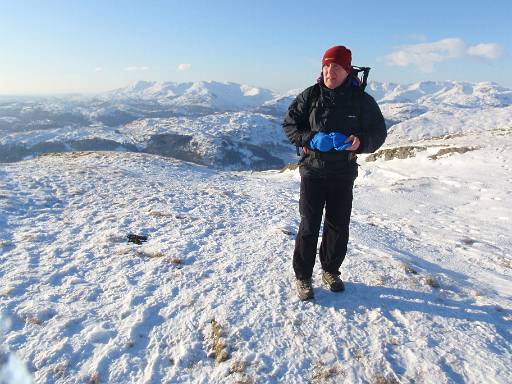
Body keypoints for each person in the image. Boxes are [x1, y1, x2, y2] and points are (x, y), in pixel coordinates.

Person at [282, 45, 387, 300]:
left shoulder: (361, 100)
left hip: (343, 172)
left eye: (336, 67)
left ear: (347, 70)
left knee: (338, 226)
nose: (330, 71)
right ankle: (303, 276)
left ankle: (330, 270)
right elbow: (290, 126)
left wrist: (359, 142)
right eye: (327, 66)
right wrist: (311, 139)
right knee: (309, 224)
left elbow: (378, 133)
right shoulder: (310, 96)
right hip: (313, 172)